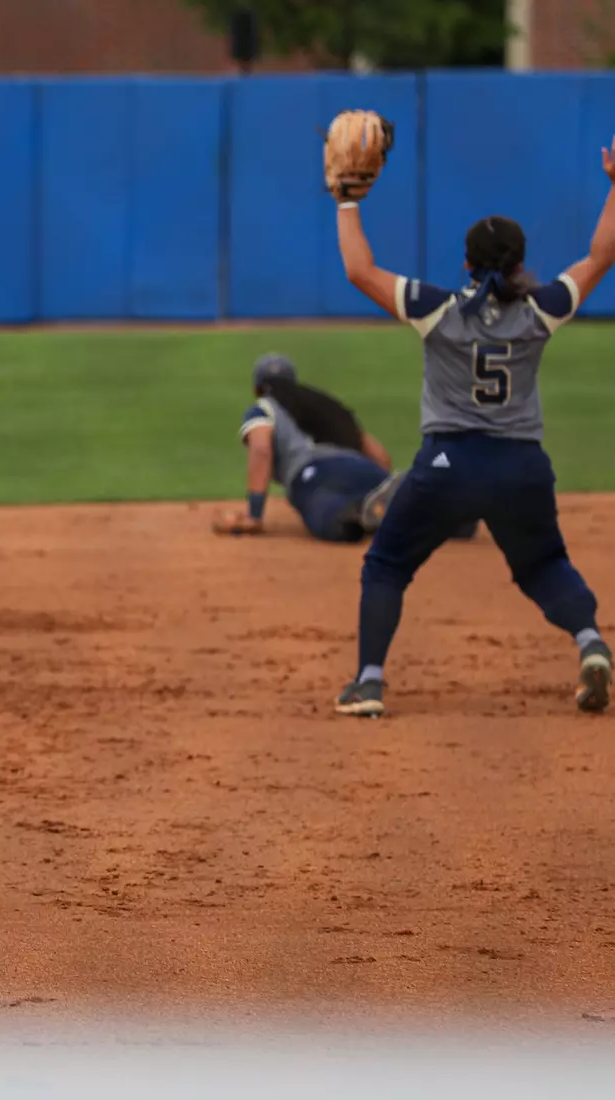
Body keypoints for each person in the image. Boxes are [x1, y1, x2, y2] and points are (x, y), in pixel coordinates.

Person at [328, 137, 615, 718]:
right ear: (519, 264)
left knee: (387, 564)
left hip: (448, 465)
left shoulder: (435, 307)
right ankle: (591, 643)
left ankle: (369, 683)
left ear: (466, 263)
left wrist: (347, 200)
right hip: (522, 467)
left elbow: (359, 270)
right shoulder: (542, 308)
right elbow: (601, 255)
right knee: (543, 564)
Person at [215, 353, 400, 541]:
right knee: (380, 498)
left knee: (330, 518)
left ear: (256, 389)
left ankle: (353, 518)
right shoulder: (324, 404)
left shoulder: (262, 408)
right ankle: (390, 501)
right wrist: (384, 481)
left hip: (315, 475)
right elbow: (376, 451)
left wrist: (254, 515)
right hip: (362, 466)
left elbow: (261, 448)